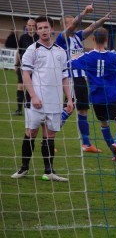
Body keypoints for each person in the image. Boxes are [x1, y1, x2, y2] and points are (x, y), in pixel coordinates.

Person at [11, 15, 73, 182]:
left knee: (50, 135)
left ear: (52, 29)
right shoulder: (32, 50)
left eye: (46, 27)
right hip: (36, 100)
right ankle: (24, 168)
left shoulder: (61, 51)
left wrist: (69, 99)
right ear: (36, 31)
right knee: (31, 132)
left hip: (55, 101)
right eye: (40, 28)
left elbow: (64, 77)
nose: (43, 30)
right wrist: (33, 96)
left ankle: (49, 171)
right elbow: (25, 74)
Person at [56, 3, 111, 153]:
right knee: (69, 107)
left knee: (83, 110)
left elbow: (92, 27)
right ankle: (49, 137)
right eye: (71, 20)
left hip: (81, 77)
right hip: (70, 76)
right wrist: (85, 11)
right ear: (66, 25)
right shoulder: (63, 37)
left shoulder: (77, 36)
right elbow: (75, 24)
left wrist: (103, 19)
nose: (74, 21)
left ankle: (86, 144)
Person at [71, 27, 116, 166]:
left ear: (93, 39)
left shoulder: (87, 57)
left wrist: (73, 56)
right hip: (113, 95)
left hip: (97, 98)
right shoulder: (113, 56)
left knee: (104, 124)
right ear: (107, 39)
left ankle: (113, 149)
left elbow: (70, 64)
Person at [14, 19, 39, 116]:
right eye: (29, 25)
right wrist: (16, 65)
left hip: (35, 67)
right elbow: (19, 51)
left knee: (31, 87)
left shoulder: (38, 38)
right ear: (27, 26)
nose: (31, 27)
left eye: (33, 25)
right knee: (20, 86)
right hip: (23, 66)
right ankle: (19, 109)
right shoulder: (23, 37)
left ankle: (29, 107)